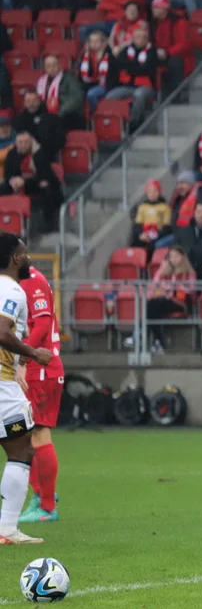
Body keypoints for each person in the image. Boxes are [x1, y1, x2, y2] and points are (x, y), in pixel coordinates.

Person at [0, 233, 52, 544]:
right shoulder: (12, 290)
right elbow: (1, 331)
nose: (28, 258)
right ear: (15, 258)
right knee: (21, 451)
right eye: (25, 252)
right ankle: (7, 529)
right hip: (2, 385)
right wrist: (33, 353)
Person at [16, 264, 63, 525]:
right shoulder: (14, 281)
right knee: (22, 435)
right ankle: (41, 495)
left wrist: (24, 360)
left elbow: (43, 323)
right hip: (28, 369)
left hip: (40, 369)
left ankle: (47, 505)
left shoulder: (32, 280)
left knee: (38, 433)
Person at [143, 245, 196, 353]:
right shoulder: (162, 271)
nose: (173, 259)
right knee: (152, 306)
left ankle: (140, 334)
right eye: (171, 257)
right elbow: (152, 287)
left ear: (182, 257)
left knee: (153, 306)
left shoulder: (189, 273)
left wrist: (169, 290)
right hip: (161, 301)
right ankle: (159, 342)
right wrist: (158, 293)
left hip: (180, 303)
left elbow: (190, 290)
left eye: (176, 256)